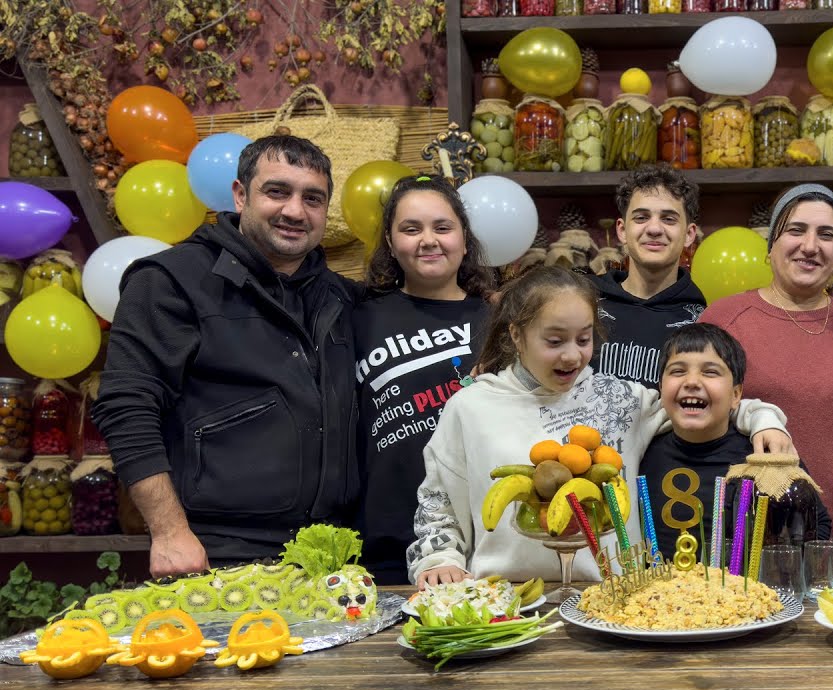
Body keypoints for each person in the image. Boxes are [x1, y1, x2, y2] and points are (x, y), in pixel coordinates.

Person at [406, 266, 794, 588]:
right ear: (516, 335)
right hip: (507, 599)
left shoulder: (620, 399)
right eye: (554, 340)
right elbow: (438, 502)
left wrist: (764, 421)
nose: (572, 355)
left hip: (614, 598)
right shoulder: (471, 407)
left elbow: (698, 404)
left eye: (584, 339)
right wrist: (438, 558)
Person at [92, 135, 360, 576]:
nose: (295, 211)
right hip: (218, 554)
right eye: (277, 191)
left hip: (335, 553)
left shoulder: (342, 297)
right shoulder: (169, 282)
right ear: (240, 195)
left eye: (313, 198)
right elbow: (126, 407)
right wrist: (169, 531)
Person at [699, 184, 833, 534]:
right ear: (771, 246)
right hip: (743, 539)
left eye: (827, 235)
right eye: (796, 230)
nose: (810, 246)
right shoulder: (723, 321)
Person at [354, 175, 497, 585]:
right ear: (390, 241)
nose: (428, 240)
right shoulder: (358, 315)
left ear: (464, 240)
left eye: (442, 227)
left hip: (477, 541)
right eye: (411, 229)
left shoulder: (500, 322)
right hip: (382, 541)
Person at [640, 323, 830, 559]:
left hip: (743, 593)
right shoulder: (641, 449)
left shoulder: (765, 456)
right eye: (677, 371)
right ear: (660, 387)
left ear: (736, 395)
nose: (691, 381)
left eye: (710, 372)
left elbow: (818, 527)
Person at [590, 164, 705, 390]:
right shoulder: (583, 302)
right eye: (641, 217)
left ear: (689, 234)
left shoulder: (703, 320)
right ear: (622, 230)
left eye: (669, 219)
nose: (654, 228)